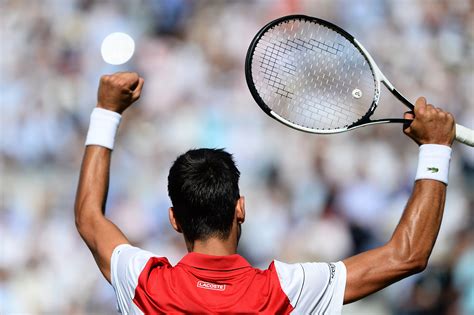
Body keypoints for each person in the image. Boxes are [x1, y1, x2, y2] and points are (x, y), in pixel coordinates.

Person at [75, 72, 455, 314]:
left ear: (174, 220)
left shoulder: (143, 282)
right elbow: (407, 255)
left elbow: (89, 216)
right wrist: (435, 148)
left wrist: (107, 110)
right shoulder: (284, 292)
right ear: (240, 208)